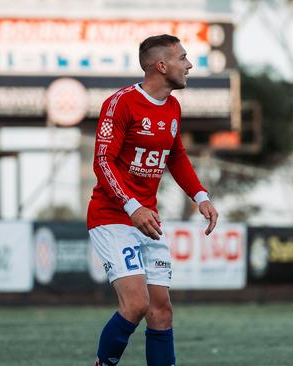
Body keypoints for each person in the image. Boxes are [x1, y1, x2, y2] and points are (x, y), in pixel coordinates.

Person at [87, 34, 219, 366]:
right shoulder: (121, 103)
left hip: (148, 221)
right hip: (113, 217)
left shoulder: (173, 107)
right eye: (183, 58)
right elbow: (102, 162)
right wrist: (133, 207)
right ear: (161, 66)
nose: (189, 65)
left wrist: (200, 196)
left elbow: (176, 155)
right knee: (136, 305)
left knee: (161, 310)